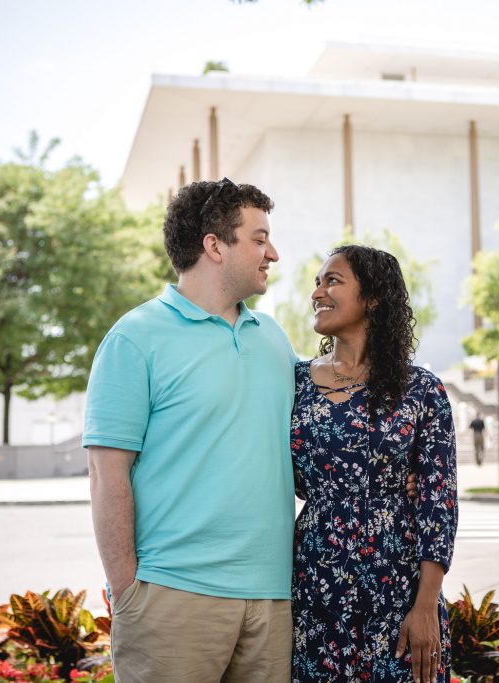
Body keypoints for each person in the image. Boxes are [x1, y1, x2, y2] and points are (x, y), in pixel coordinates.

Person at [83, 178, 298, 683]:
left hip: (273, 599)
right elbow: (105, 474)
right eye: (259, 238)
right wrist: (128, 590)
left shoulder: (274, 339)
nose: (274, 253)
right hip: (172, 597)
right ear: (214, 246)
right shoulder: (135, 338)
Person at [291, 245, 458, 683]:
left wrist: (424, 608)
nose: (317, 293)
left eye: (333, 281)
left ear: (373, 298)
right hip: (316, 581)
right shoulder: (293, 383)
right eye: (317, 282)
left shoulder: (421, 390)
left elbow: (437, 505)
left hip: (397, 585)